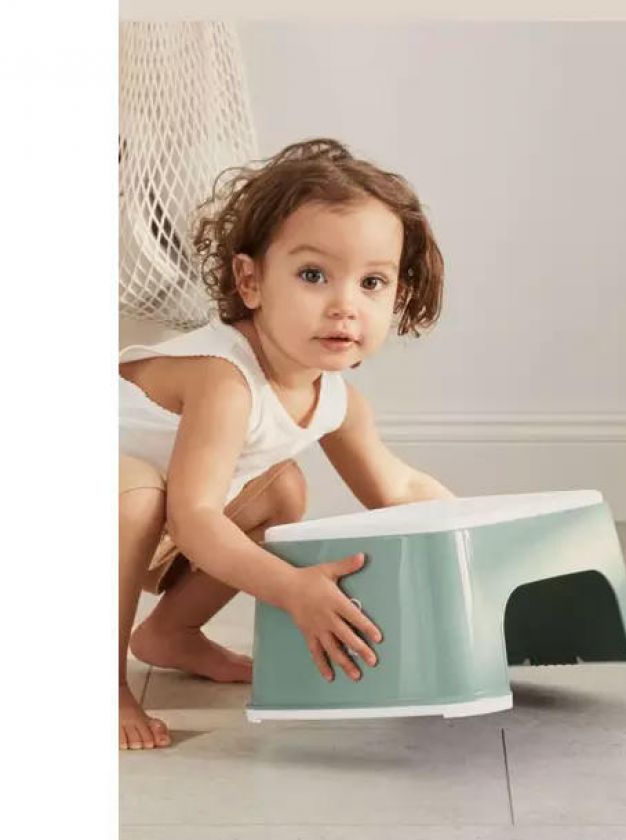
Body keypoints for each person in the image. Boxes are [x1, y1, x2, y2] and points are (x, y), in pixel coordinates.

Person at [119, 138, 456, 750]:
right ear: (250, 281)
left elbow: (398, 488)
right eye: (313, 275)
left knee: (283, 491)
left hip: (145, 517)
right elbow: (194, 519)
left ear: (399, 296)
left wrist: (474, 532)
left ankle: (170, 633)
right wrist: (290, 587)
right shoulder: (224, 381)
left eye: (372, 282)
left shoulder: (336, 399)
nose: (344, 306)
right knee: (135, 495)